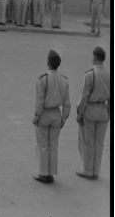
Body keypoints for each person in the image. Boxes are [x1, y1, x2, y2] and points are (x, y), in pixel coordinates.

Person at [32, 50, 70, 183]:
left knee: (43, 145)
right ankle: (51, 172)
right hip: (56, 114)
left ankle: (43, 173)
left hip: (44, 114)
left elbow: (40, 102)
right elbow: (67, 103)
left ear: (48, 62)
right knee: (53, 145)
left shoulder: (42, 79)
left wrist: (36, 117)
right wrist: (64, 118)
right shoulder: (64, 80)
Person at [76, 46, 110, 180]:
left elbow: (84, 97)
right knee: (99, 143)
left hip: (90, 110)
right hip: (103, 110)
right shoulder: (109, 75)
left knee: (87, 141)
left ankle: (88, 170)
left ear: (95, 57)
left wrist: (79, 114)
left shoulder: (90, 75)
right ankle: (96, 171)